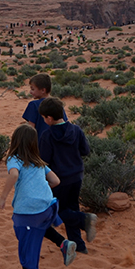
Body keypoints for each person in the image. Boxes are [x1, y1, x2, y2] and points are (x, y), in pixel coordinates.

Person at [0, 124, 76, 269]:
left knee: (27, 242)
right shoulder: (39, 162)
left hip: (27, 210)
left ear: (15, 141)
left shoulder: (14, 159)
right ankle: (63, 243)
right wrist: (39, 189)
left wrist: (3, 197)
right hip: (47, 207)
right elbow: (55, 181)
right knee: (39, 226)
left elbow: (14, 175)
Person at [38, 97, 97, 254]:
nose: (44, 121)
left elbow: (44, 161)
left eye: (44, 118)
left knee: (58, 211)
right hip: (77, 176)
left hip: (58, 180)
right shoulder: (76, 130)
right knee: (71, 207)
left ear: (49, 118)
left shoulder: (47, 135)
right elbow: (85, 150)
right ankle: (79, 246)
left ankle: (84, 220)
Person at [22, 73, 67, 145]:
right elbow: (64, 123)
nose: (30, 92)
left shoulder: (33, 105)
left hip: (40, 145)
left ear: (43, 90)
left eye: (33, 89)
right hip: (57, 144)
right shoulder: (57, 103)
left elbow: (30, 128)